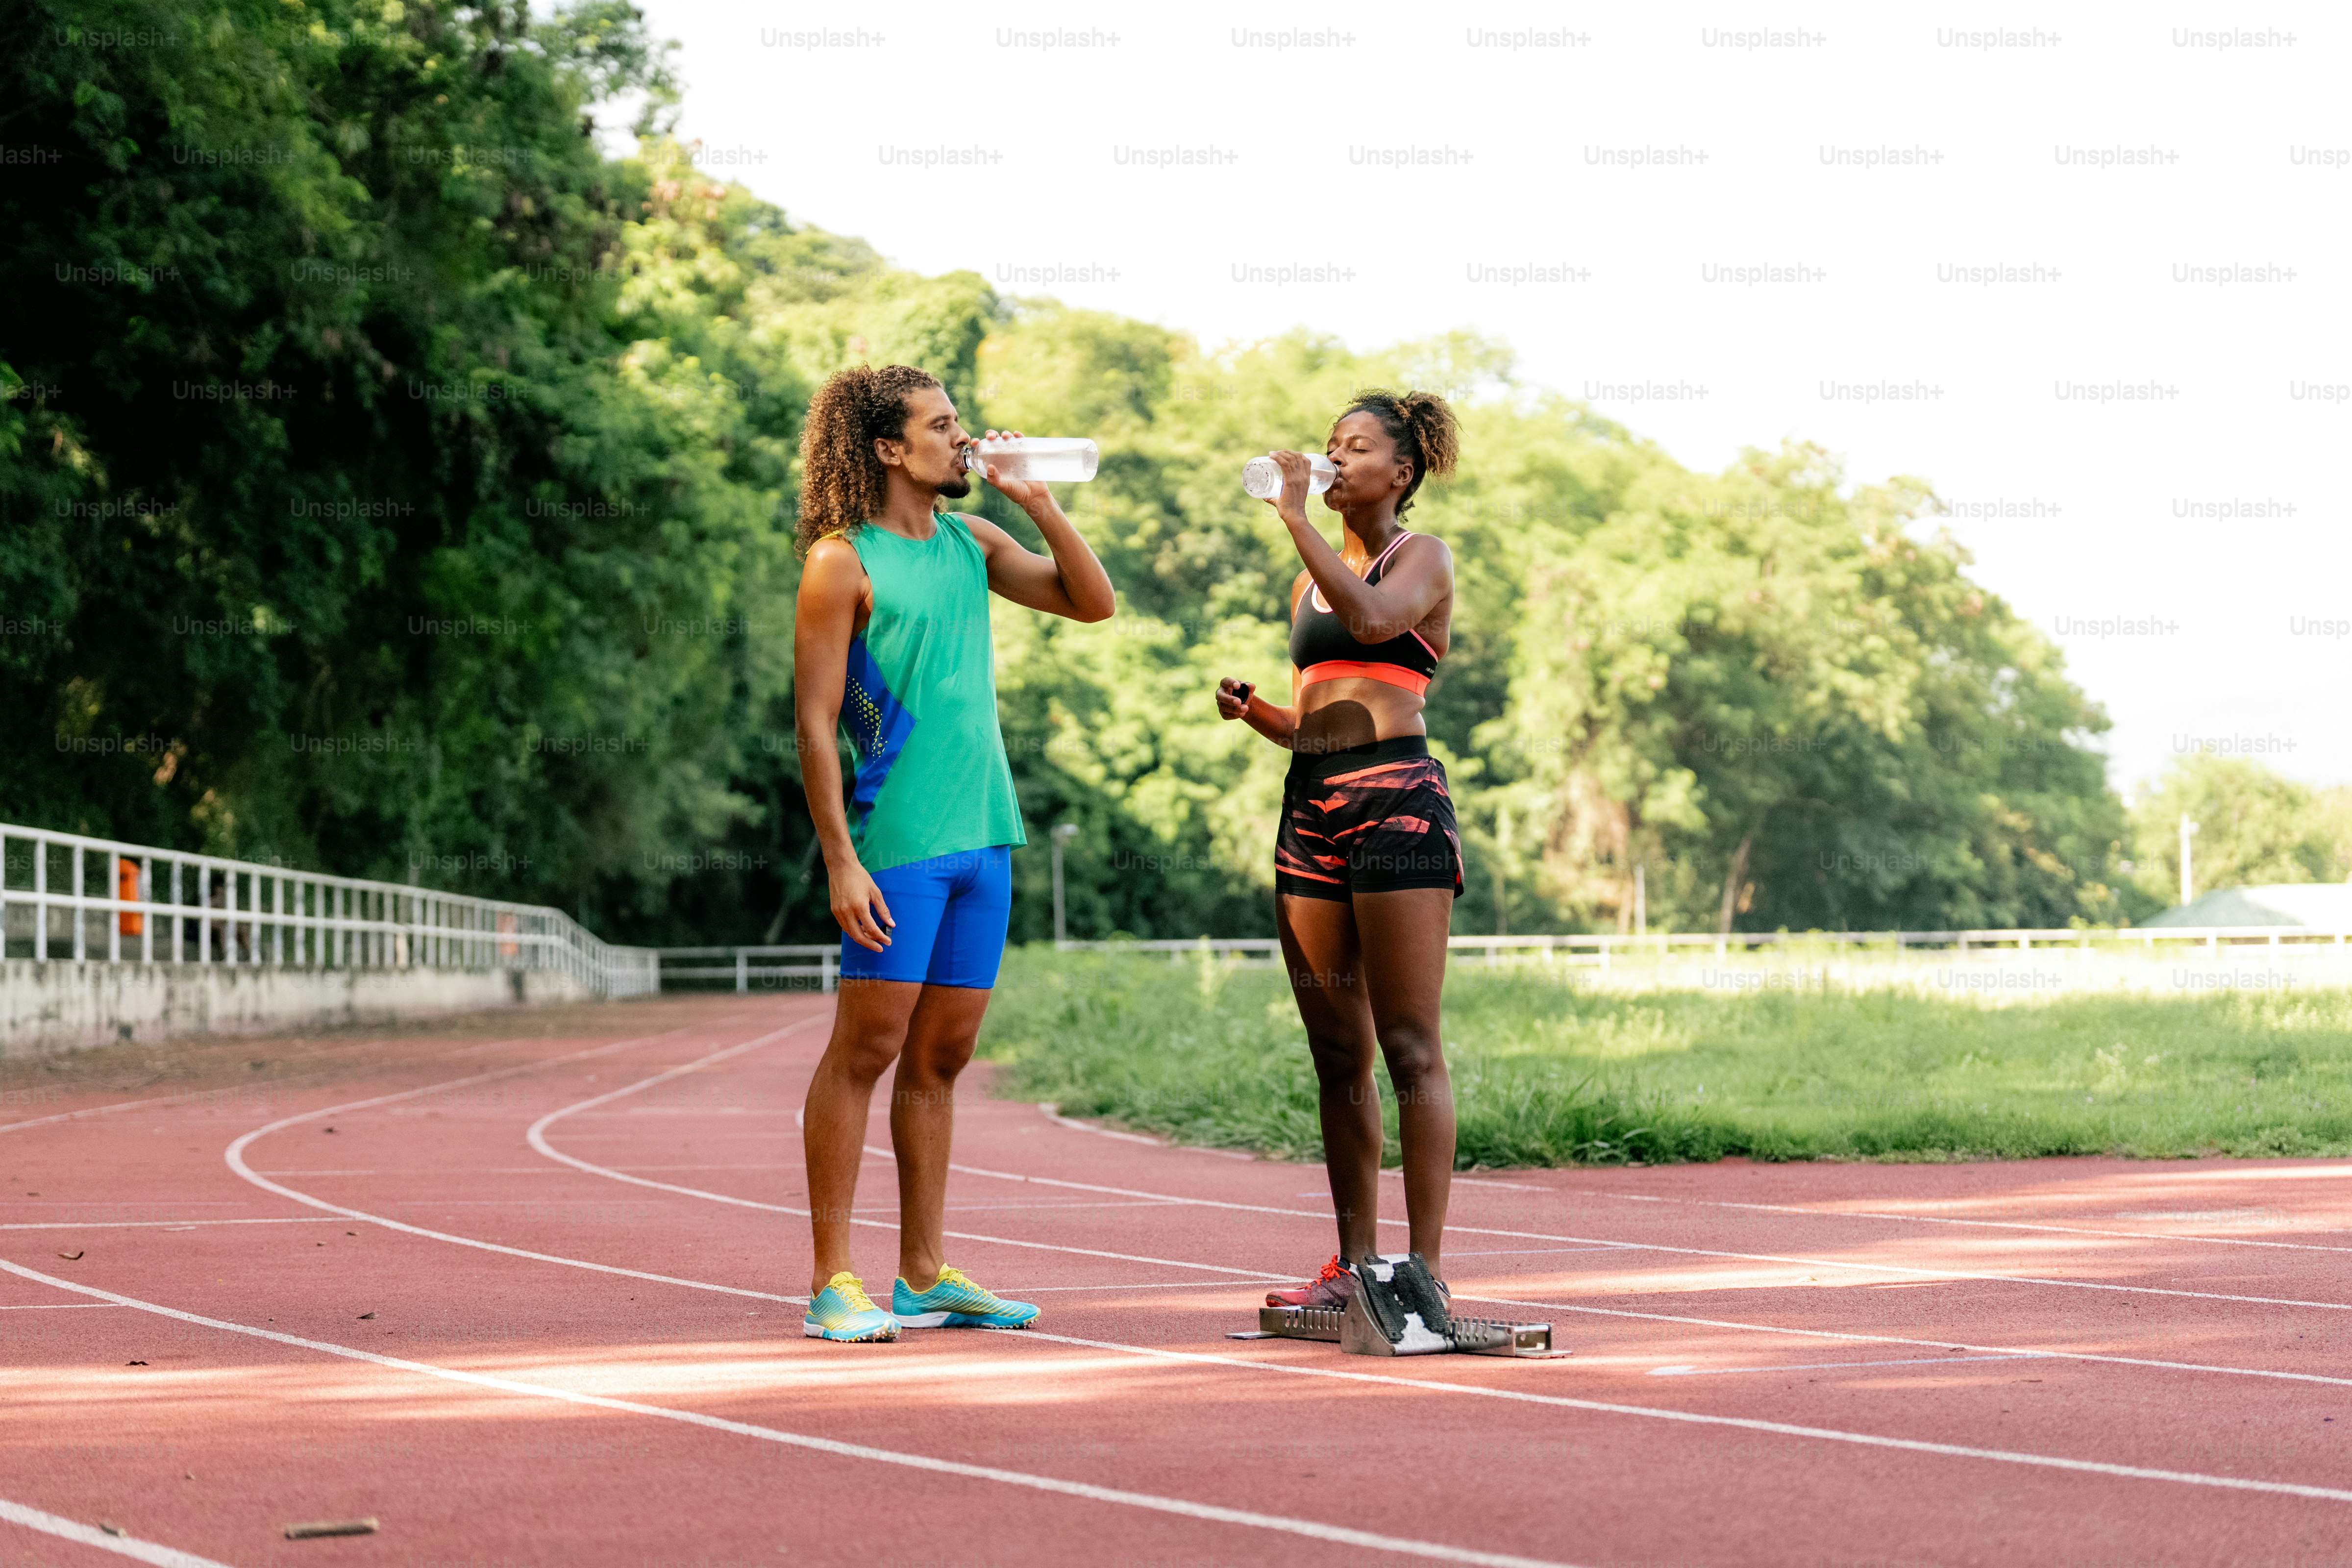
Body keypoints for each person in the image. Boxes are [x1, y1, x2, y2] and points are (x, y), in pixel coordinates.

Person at [793, 364, 1114, 1342]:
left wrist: (1039, 502)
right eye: (942, 426)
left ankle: (924, 1270)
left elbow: (1092, 602)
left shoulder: (975, 541)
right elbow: (812, 726)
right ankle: (831, 1281)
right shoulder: (841, 562)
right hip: (899, 841)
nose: (963, 437)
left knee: (943, 1056)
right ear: (891, 448)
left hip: (987, 833)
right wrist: (842, 860)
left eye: (958, 421)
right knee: (868, 1049)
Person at [1215, 390, 1463, 1309]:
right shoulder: (1305, 581)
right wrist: (1263, 716)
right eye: (1331, 447)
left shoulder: (1422, 558)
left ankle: (1425, 1270)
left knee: (1409, 1045)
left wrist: (1289, 513)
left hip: (1395, 801)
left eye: (1355, 450)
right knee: (1336, 1052)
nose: (1333, 462)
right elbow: (1321, 718)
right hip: (1311, 807)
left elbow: (1370, 624)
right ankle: (1356, 1272)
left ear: (1398, 474)